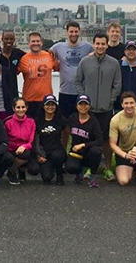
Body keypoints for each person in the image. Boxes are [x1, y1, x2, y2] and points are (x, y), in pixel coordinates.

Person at [74, 33, 121, 182]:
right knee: (90, 141)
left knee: (107, 141)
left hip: (106, 109)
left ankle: (107, 168)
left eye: (103, 44)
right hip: (89, 110)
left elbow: (117, 84)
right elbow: (78, 82)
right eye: (97, 44)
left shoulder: (114, 63)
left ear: (107, 45)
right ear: (93, 44)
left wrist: (111, 100)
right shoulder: (85, 62)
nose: (100, 46)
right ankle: (89, 168)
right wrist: (84, 100)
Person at [50, 21, 93, 118]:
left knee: (81, 120)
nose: (74, 34)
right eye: (71, 32)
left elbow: (100, 53)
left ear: (79, 32)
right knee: (64, 122)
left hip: (81, 92)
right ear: (67, 32)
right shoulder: (58, 47)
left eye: (76, 31)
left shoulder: (88, 46)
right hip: (65, 91)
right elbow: (46, 55)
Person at [64, 95, 104, 187]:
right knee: (70, 168)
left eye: (86, 104)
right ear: (76, 106)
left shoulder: (93, 121)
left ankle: (92, 176)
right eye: (80, 104)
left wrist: (83, 145)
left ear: (89, 106)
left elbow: (100, 141)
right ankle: (79, 171)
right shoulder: (72, 118)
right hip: (76, 152)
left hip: (89, 152)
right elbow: (65, 128)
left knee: (96, 151)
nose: (83, 107)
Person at [18, 32, 59, 121]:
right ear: (28, 43)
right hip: (29, 99)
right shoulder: (23, 58)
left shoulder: (49, 55)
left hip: (46, 99)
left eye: (37, 41)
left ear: (41, 42)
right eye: (33, 41)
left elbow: (59, 68)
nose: (35, 43)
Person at [32, 95, 68, 185]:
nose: (50, 107)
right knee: (47, 177)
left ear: (56, 106)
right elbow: (34, 139)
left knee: (57, 156)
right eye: (48, 105)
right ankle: (50, 167)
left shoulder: (61, 119)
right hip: (44, 153)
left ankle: (59, 175)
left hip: (57, 150)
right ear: (43, 106)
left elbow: (67, 133)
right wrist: (39, 155)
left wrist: (65, 147)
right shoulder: (37, 121)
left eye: (53, 105)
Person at [4, 98, 37, 185]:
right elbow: (4, 139)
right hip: (11, 149)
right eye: (18, 107)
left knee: (33, 168)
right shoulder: (8, 122)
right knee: (7, 158)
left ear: (27, 108)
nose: (21, 110)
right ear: (13, 108)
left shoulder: (31, 122)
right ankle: (16, 169)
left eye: (23, 107)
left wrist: (24, 147)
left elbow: (32, 140)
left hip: (25, 149)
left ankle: (12, 171)